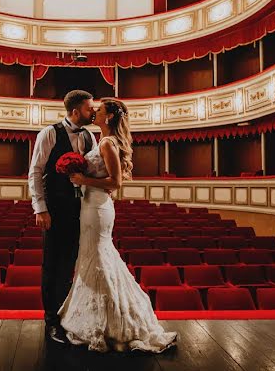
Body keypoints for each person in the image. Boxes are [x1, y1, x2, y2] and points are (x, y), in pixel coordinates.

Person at [59, 98, 177, 353]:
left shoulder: (108, 143)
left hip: (98, 207)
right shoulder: (100, 140)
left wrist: (83, 179)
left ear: (110, 117)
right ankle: (102, 314)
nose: (94, 113)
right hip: (91, 205)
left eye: (99, 110)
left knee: (100, 258)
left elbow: (116, 183)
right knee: (94, 257)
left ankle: (114, 320)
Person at [29, 89, 96, 344]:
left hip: (83, 209)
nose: (94, 112)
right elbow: (35, 172)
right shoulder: (49, 133)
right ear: (76, 110)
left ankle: (72, 317)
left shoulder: (90, 135)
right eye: (90, 108)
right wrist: (40, 208)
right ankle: (52, 322)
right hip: (55, 208)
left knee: (74, 265)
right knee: (53, 266)